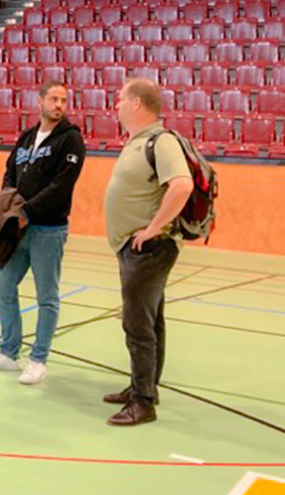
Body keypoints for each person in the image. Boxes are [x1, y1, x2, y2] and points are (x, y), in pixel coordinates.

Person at [0, 81, 86, 386]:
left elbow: (61, 186)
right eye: (53, 99)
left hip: (48, 230)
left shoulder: (71, 140)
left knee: (46, 297)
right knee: (3, 287)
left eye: (63, 100)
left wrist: (26, 212)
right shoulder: (26, 138)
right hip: (17, 229)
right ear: (40, 102)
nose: (59, 105)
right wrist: (10, 203)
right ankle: (8, 353)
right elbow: (9, 171)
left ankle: (38, 360)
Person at [102, 78, 193, 426]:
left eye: (121, 99)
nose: (117, 105)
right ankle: (143, 387)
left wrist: (153, 228)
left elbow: (181, 186)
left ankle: (143, 403)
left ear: (137, 103)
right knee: (150, 320)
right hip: (135, 248)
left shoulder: (161, 141)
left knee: (137, 324)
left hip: (149, 249)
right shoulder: (139, 141)